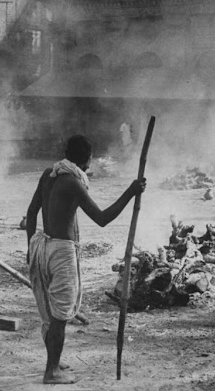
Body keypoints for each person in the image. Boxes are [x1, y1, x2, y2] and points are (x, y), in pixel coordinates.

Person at [25, 135, 147, 384]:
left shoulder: (50, 173)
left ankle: (55, 361)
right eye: (90, 159)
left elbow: (31, 212)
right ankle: (52, 372)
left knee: (51, 312)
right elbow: (103, 219)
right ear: (86, 159)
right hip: (61, 252)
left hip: (42, 246)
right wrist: (131, 192)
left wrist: (30, 247)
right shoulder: (73, 182)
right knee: (60, 314)